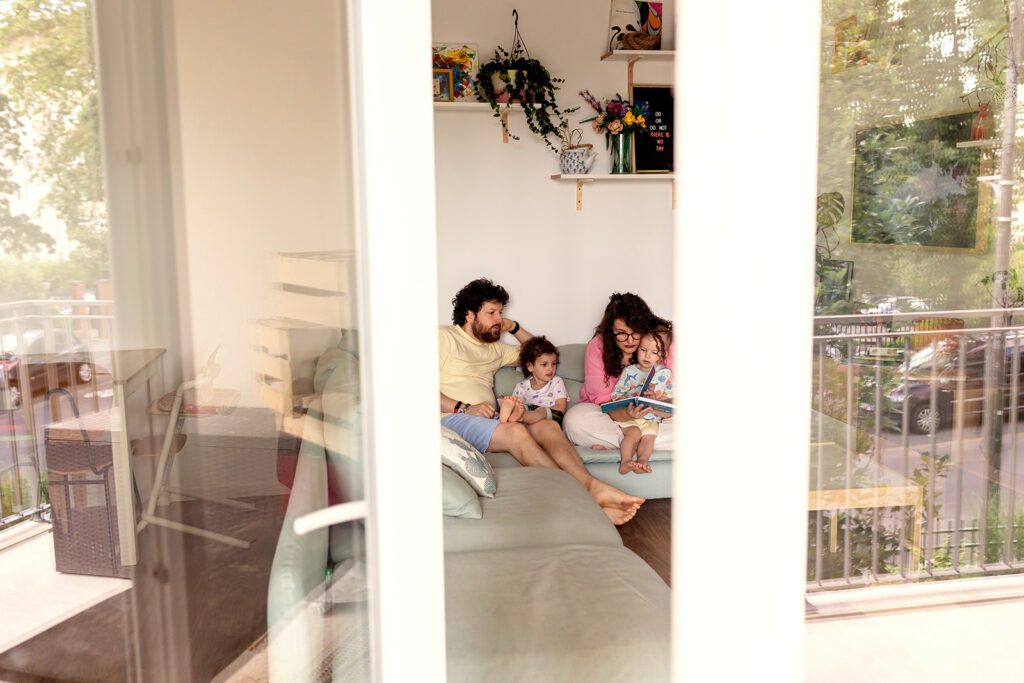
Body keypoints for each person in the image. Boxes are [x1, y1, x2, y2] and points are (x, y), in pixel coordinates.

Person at [439, 278, 644, 525]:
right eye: (491, 313)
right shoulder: (444, 337)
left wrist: (513, 327)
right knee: (515, 432)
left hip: (487, 419)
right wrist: (463, 407)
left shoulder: (495, 349)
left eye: (500, 313)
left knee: (547, 425)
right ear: (469, 315)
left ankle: (592, 486)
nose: (498, 319)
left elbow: (540, 352)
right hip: (451, 418)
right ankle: (583, 502)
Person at [563, 292, 674, 452]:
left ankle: (628, 443)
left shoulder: (662, 341)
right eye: (621, 333)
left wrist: (661, 402)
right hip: (612, 416)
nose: (629, 340)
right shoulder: (597, 346)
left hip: (655, 416)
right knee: (575, 420)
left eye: (635, 332)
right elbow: (602, 399)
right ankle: (640, 443)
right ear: (610, 331)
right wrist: (628, 414)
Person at [611, 331, 673, 474]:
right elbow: (616, 394)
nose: (647, 356)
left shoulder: (665, 374)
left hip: (651, 417)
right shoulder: (628, 371)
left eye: (654, 352)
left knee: (649, 437)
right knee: (633, 433)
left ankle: (642, 461)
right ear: (638, 349)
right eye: (643, 350)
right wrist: (626, 403)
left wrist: (655, 400)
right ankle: (625, 461)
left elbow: (670, 401)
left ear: (663, 355)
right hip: (631, 415)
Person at [511, 336, 569, 426]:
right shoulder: (521, 386)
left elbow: (561, 407)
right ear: (530, 366)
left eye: (554, 364)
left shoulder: (556, 381)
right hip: (527, 424)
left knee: (537, 416)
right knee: (517, 409)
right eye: (544, 364)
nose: (550, 369)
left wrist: (541, 413)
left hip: (549, 421)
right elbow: (517, 408)